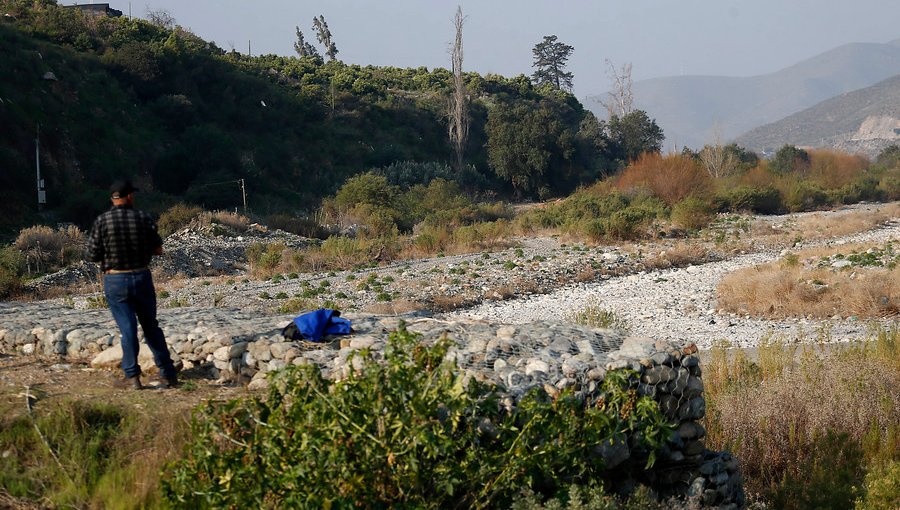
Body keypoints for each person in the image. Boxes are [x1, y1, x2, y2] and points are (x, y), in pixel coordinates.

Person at [86, 179, 178, 389]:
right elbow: (158, 249)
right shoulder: (142, 217)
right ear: (130, 196)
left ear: (113, 198)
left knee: (127, 329)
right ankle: (168, 373)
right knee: (151, 327)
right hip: (141, 277)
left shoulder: (102, 221)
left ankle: (132, 377)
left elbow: (92, 254)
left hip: (116, 279)